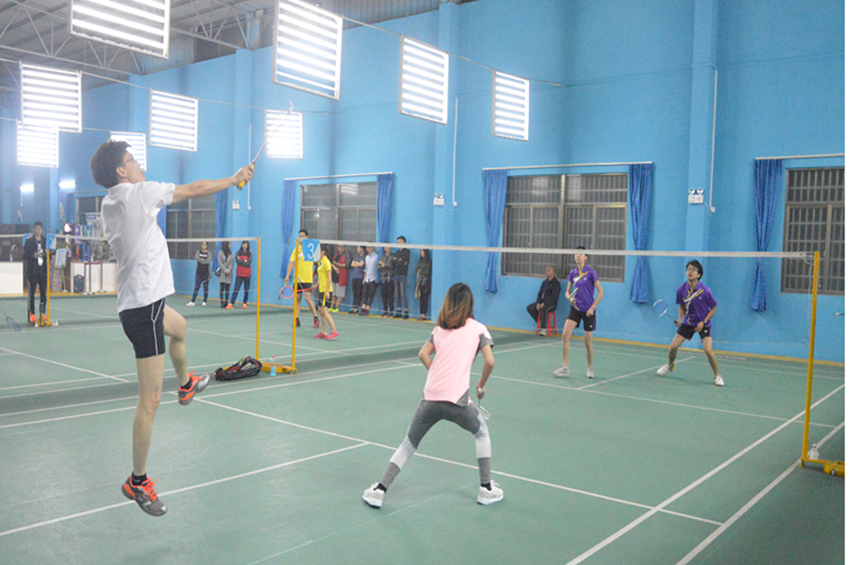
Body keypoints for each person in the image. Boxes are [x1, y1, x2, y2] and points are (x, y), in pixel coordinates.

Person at [90, 139, 253, 516]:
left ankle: (186, 384)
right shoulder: (138, 194)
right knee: (149, 400)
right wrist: (234, 179)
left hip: (141, 303)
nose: (139, 165)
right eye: (133, 160)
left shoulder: (109, 203)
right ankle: (137, 481)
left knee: (179, 327)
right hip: (144, 308)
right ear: (120, 171)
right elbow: (193, 189)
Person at [362, 282, 503, 509]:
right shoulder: (479, 329)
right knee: (481, 433)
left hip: (429, 399)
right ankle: (486, 489)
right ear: (469, 304)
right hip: (457, 402)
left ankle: (379, 490)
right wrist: (481, 385)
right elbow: (490, 361)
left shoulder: (438, 330)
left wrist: (437, 374)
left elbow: (423, 354)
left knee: (408, 445)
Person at [657, 260, 724, 387]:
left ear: (699, 274)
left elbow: (713, 308)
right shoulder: (681, 290)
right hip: (688, 323)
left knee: (708, 351)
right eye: (688, 269)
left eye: (693, 269)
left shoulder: (705, 291)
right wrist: (680, 319)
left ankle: (717, 376)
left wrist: (703, 322)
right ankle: (670, 365)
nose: (690, 271)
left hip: (703, 324)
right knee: (672, 347)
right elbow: (682, 306)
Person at [553, 246, 603, 379]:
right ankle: (565, 367)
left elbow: (601, 292)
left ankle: (590, 367)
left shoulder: (591, 273)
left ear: (585, 257)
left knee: (588, 343)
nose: (578, 256)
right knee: (565, 335)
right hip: (576, 309)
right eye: (576, 254)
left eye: (581, 254)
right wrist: (570, 299)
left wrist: (592, 308)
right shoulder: (573, 273)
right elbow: (567, 292)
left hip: (588, 311)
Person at [284, 229, 319, 328]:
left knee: (307, 298)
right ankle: (296, 319)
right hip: (298, 279)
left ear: (307, 237)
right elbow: (291, 263)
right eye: (300, 236)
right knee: (297, 299)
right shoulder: (296, 249)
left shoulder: (311, 249)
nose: (301, 238)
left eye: (303, 236)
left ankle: (315, 318)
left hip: (307, 278)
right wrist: (287, 275)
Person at [23, 221, 48, 325]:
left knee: (43, 294)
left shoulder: (45, 241)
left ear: (42, 230)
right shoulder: (29, 242)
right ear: (33, 229)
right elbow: (25, 256)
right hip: (32, 272)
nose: (38, 231)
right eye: (37, 229)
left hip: (43, 271)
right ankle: (32, 314)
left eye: (40, 229)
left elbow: (50, 255)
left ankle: (42, 313)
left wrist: (47, 254)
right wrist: (33, 255)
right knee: (32, 294)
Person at [313, 245, 339, 340]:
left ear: (323, 251)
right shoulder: (320, 262)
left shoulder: (326, 262)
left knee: (324, 311)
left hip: (326, 290)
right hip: (321, 289)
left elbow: (329, 278)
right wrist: (316, 285)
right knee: (321, 311)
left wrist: (327, 291)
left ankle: (334, 331)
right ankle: (323, 332)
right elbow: (321, 277)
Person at [527, 265, 561, 335]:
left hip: (552, 304)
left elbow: (553, 297)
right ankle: (541, 322)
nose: (546, 272)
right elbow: (540, 294)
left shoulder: (556, 284)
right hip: (542, 302)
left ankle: (544, 329)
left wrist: (544, 303)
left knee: (544, 309)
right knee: (530, 307)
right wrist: (538, 303)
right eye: (546, 271)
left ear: (553, 273)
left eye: (548, 271)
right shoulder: (544, 283)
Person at [228, 241, 252, 309]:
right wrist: (244, 261)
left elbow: (248, 263)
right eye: (243, 244)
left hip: (247, 275)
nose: (244, 245)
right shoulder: (238, 252)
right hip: (239, 274)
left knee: (246, 290)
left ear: (247, 245)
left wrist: (241, 260)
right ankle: (232, 303)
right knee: (236, 289)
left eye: (246, 244)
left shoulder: (249, 254)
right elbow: (237, 260)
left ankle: (244, 303)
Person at [187, 241, 211, 306]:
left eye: (205, 244)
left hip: (206, 273)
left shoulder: (209, 253)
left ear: (207, 246)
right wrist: (203, 260)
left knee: (205, 287)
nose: (203, 246)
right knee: (196, 287)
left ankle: (204, 301)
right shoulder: (198, 252)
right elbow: (197, 258)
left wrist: (201, 260)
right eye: (202, 244)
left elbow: (208, 261)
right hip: (199, 273)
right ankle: (192, 301)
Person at [392, 236, 411, 319]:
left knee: (403, 293)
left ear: (404, 242)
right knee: (397, 294)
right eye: (398, 242)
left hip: (402, 274)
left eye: (400, 241)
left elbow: (402, 262)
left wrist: (399, 261)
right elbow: (394, 262)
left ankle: (406, 312)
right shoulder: (397, 253)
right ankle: (398, 311)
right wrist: (398, 260)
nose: (398, 243)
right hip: (396, 274)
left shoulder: (407, 252)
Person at [361, 245, 380, 316]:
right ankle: (363, 308)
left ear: (373, 248)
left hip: (373, 278)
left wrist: (376, 277)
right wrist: (364, 278)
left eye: (370, 247)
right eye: (367, 248)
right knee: (364, 293)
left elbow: (377, 268)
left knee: (371, 294)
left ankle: (367, 309)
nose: (368, 249)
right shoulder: (367, 257)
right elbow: (366, 269)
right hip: (367, 278)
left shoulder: (376, 257)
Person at [330, 244, 349, 313]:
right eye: (338, 247)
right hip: (334, 278)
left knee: (340, 294)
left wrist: (338, 265)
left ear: (344, 248)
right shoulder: (336, 255)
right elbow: (331, 263)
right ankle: (331, 307)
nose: (339, 248)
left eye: (341, 247)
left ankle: (336, 308)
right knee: (333, 294)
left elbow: (347, 265)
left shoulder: (346, 256)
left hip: (341, 278)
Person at [415, 249, 432, 321]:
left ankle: (424, 314)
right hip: (420, 282)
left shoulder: (429, 262)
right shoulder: (420, 261)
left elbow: (428, 272)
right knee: (421, 298)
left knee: (425, 298)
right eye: (420, 251)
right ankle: (421, 314)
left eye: (422, 251)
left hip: (426, 282)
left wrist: (421, 273)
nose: (421, 253)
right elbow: (417, 270)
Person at [348, 246, 366, 314]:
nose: (357, 249)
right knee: (354, 293)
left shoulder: (364, 257)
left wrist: (357, 263)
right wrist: (357, 264)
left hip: (360, 277)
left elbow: (361, 264)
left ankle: (357, 308)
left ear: (362, 249)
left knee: (358, 293)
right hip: (354, 277)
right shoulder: (356, 257)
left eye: (358, 248)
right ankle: (353, 307)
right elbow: (352, 264)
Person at [378, 246, 394, 317]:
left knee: (390, 295)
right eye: (386, 248)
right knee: (384, 295)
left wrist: (385, 265)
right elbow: (378, 267)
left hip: (390, 278)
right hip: (383, 278)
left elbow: (392, 266)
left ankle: (391, 311)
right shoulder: (382, 258)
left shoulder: (393, 257)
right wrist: (382, 266)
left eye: (389, 247)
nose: (388, 249)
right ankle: (385, 310)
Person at [217, 241, 234, 309]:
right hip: (222, 273)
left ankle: (226, 302)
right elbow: (220, 262)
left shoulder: (231, 253)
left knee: (227, 288)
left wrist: (228, 270)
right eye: (229, 244)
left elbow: (232, 263)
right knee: (222, 288)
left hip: (229, 274)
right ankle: (222, 302)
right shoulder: (220, 253)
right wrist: (225, 270)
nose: (230, 245)